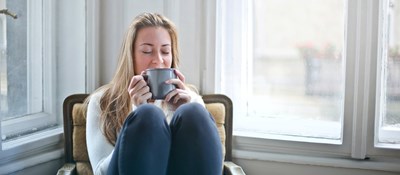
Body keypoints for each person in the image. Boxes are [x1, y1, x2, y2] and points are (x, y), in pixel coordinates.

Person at [85, 12, 223, 175]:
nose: (158, 60)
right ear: (130, 56)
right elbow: (100, 172)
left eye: (165, 52)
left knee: (194, 112)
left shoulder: (189, 98)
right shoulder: (102, 102)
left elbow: (213, 165)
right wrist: (137, 113)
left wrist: (177, 111)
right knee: (148, 115)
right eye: (147, 51)